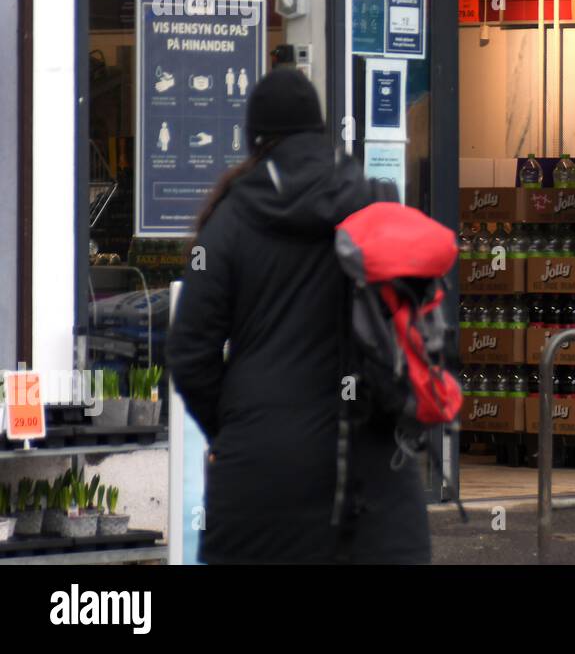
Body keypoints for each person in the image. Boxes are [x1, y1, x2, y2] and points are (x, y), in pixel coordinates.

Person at [168, 68, 431, 565]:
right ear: (320, 132)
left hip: (258, 485)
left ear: (255, 140)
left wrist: (234, 425)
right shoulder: (376, 204)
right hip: (373, 481)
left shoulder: (226, 224)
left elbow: (189, 353)